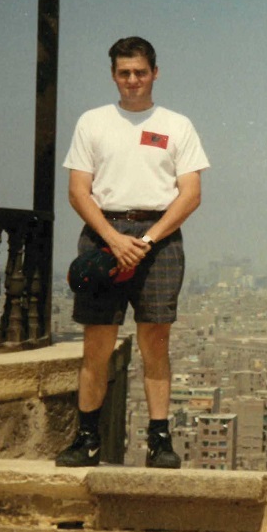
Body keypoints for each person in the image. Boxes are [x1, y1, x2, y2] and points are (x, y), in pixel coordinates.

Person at [55, 36, 209, 469]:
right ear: (113, 76)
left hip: (158, 239)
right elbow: (78, 190)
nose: (132, 80)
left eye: (140, 72)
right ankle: (87, 439)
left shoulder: (177, 125)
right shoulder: (93, 122)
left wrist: (147, 240)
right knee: (97, 342)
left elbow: (191, 193)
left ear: (154, 73)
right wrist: (114, 238)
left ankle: (159, 442)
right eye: (124, 73)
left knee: (155, 341)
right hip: (104, 236)